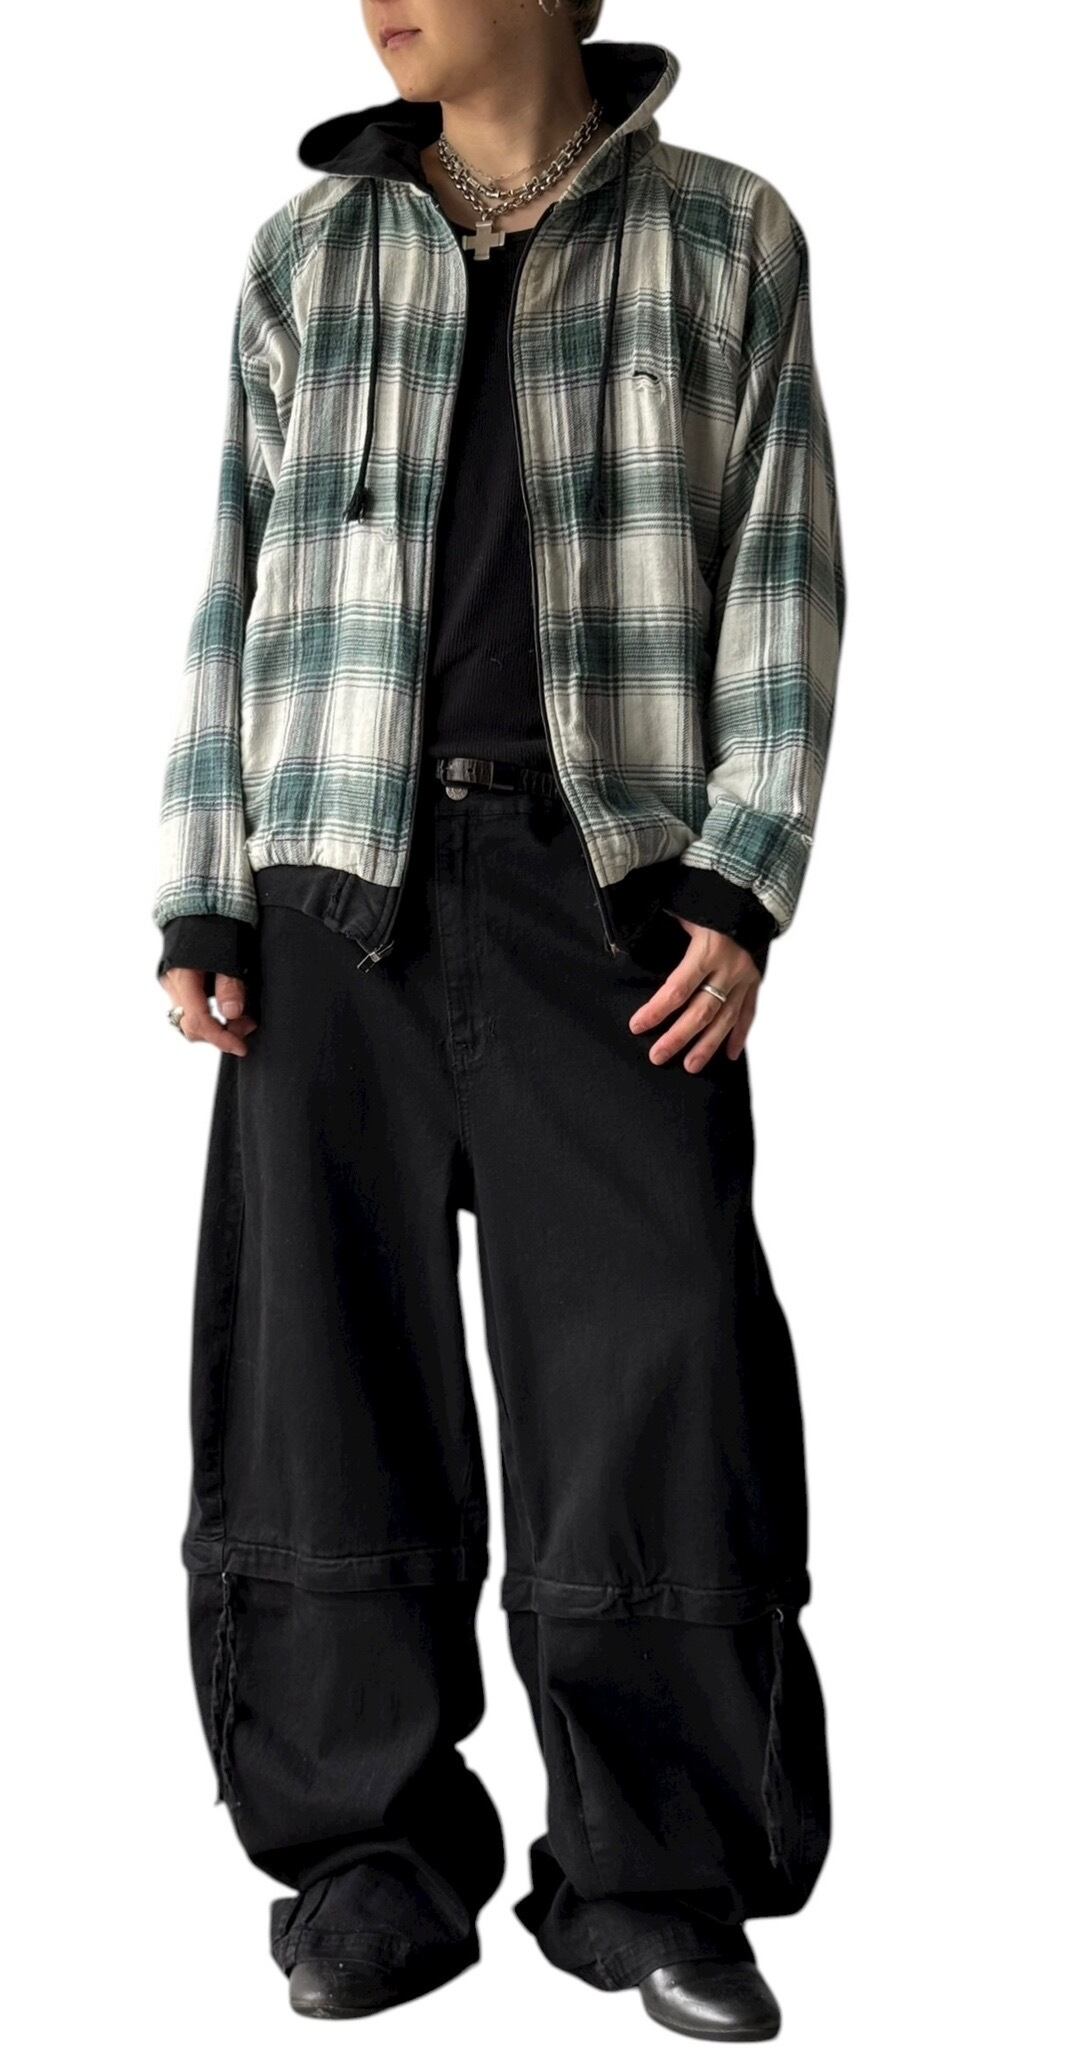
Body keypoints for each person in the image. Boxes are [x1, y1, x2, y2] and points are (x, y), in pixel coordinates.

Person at [154, 2, 842, 2034]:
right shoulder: (309, 251)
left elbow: (783, 569)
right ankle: (367, 1859)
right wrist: (205, 870)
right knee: (322, 1376)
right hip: (327, 888)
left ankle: (655, 1873)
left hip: (605, 893)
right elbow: (235, 568)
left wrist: (739, 873)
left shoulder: (724, 232)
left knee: (659, 1373)